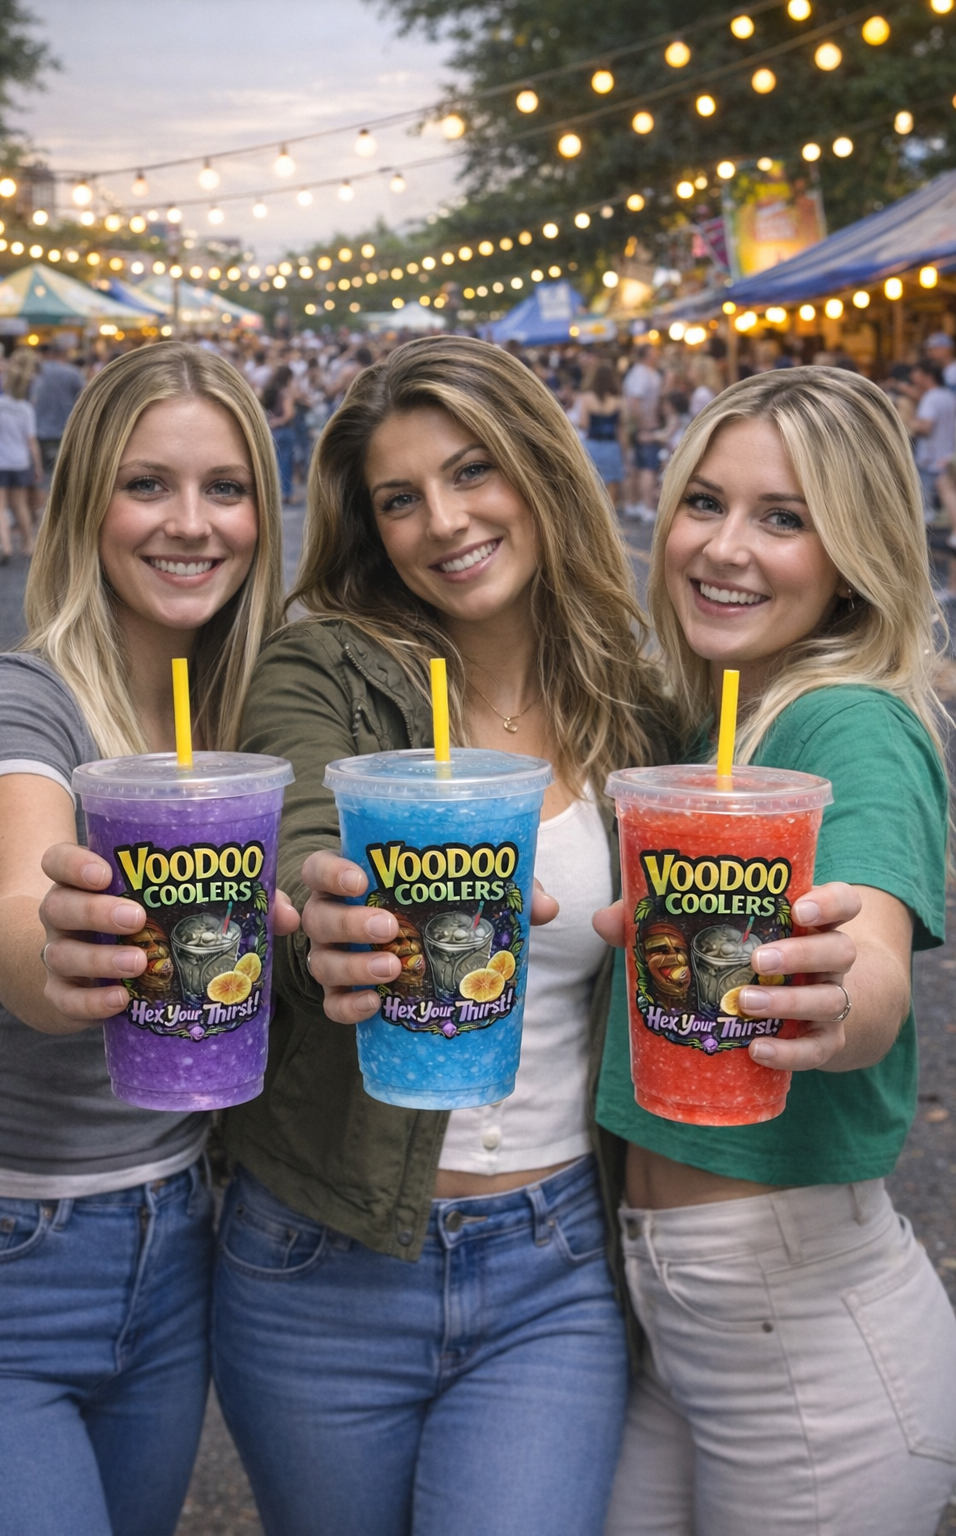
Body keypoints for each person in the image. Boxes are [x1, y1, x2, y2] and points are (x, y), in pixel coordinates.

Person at [209, 335, 852, 1536]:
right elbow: (298, 852)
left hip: (551, 1261)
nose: (443, 522)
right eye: (399, 499)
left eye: (472, 472)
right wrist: (325, 923)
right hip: (321, 1257)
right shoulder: (321, 665)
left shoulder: (633, 707)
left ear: (538, 468)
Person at [0, 341, 297, 1536]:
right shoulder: (20, 697)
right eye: (147, 485)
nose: (190, 523)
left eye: (225, 488)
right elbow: (15, 914)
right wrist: (61, 951)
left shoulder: (256, 713)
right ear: (86, 502)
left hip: (181, 1241)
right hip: (0, 1252)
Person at [595, 367, 956, 1536]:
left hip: (809, 1352)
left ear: (850, 554)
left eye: (783, 517)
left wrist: (835, 997)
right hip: (680, 1323)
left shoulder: (849, 720)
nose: (724, 546)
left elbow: (871, 960)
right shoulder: (710, 724)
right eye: (704, 503)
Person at [0, 349, 42, 563]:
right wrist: (37, 466)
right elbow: (31, 441)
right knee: (20, 504)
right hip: (20, 461)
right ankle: (28, 543)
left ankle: (5, 546)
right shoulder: (26, 409)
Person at [910, 359, 956, 528]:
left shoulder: (930, 397)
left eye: (917, 373)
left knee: (925, 511)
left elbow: (926, 427)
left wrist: (909, 422)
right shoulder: (948, 396)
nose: (913, 377)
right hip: (946, 456)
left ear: (928, 376)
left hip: (929, 458)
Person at [30, 340, 84, 479]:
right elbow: (85, 398)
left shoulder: (37, 373)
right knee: (65, 475)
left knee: (42, 475)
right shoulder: (73, 373)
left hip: (39, 429)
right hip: (66, 429)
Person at [623, 344, 663, 523]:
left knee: (640, 466)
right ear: (646, 355)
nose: (656, 355)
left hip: (644, 425)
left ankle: (637, 503)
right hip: (645, 427)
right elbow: (635, 401)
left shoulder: (643, 372)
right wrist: (643, 426)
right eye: (654, 352)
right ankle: (647, 507)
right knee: (648, 467)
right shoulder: (641, 374)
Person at [575, 362, 623, 508]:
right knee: (612, 485)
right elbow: (621, 427)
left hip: (593, 445)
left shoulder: (586, 398)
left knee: (592, 484)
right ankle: (611, 517)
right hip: (612, 445)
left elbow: (584, 424)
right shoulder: (618, 400)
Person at [262, 364, 297, 504]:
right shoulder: (285, 393)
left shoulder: (271, 390)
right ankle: (286, 494)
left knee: (274, 463)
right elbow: (289, 414)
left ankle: (275, 493)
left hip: (273, 432)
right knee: (286, 464)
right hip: (284, 430)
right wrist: (279, 421)